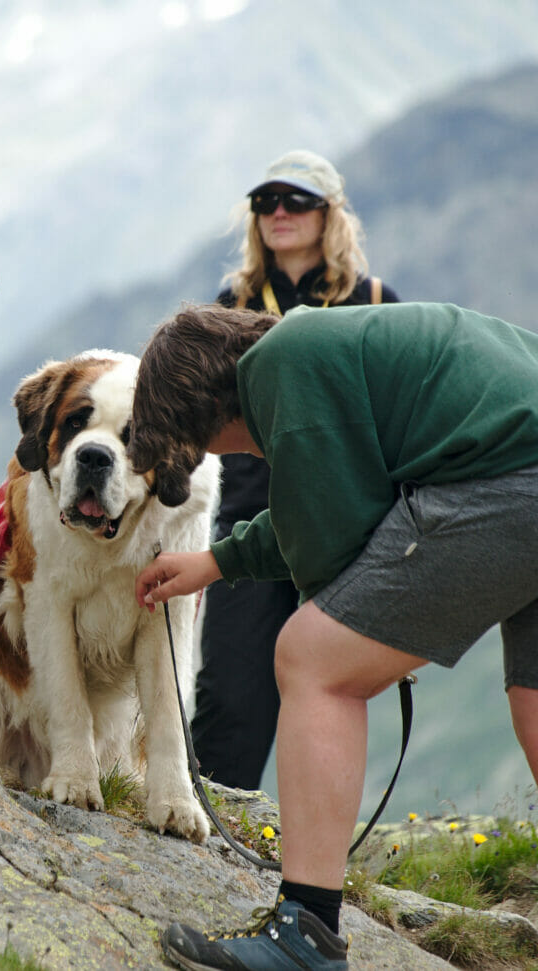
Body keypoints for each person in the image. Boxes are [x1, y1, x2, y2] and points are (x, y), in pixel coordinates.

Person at [129, 301, 538, 970]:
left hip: (512, 483)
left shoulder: (280, 367)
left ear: (201, 409)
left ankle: (306, 933)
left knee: (313, 656)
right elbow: (328, 504)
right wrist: (217, 561)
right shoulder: (317, 345)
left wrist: (362, 623)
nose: (229, 451)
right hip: (519, 465)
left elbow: (333, 545)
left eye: (201, 442)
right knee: (535, 702)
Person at [193, 149, 399, 790]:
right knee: (230, 684)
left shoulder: (372, 300)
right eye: (266, 202)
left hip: (344, 521)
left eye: (297, 201)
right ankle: (219, 823)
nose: (279, 213)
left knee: (327, 688)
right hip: (246, 509)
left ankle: (309, 849)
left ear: (329, 213)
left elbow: (394, 413)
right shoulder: (234, 301)